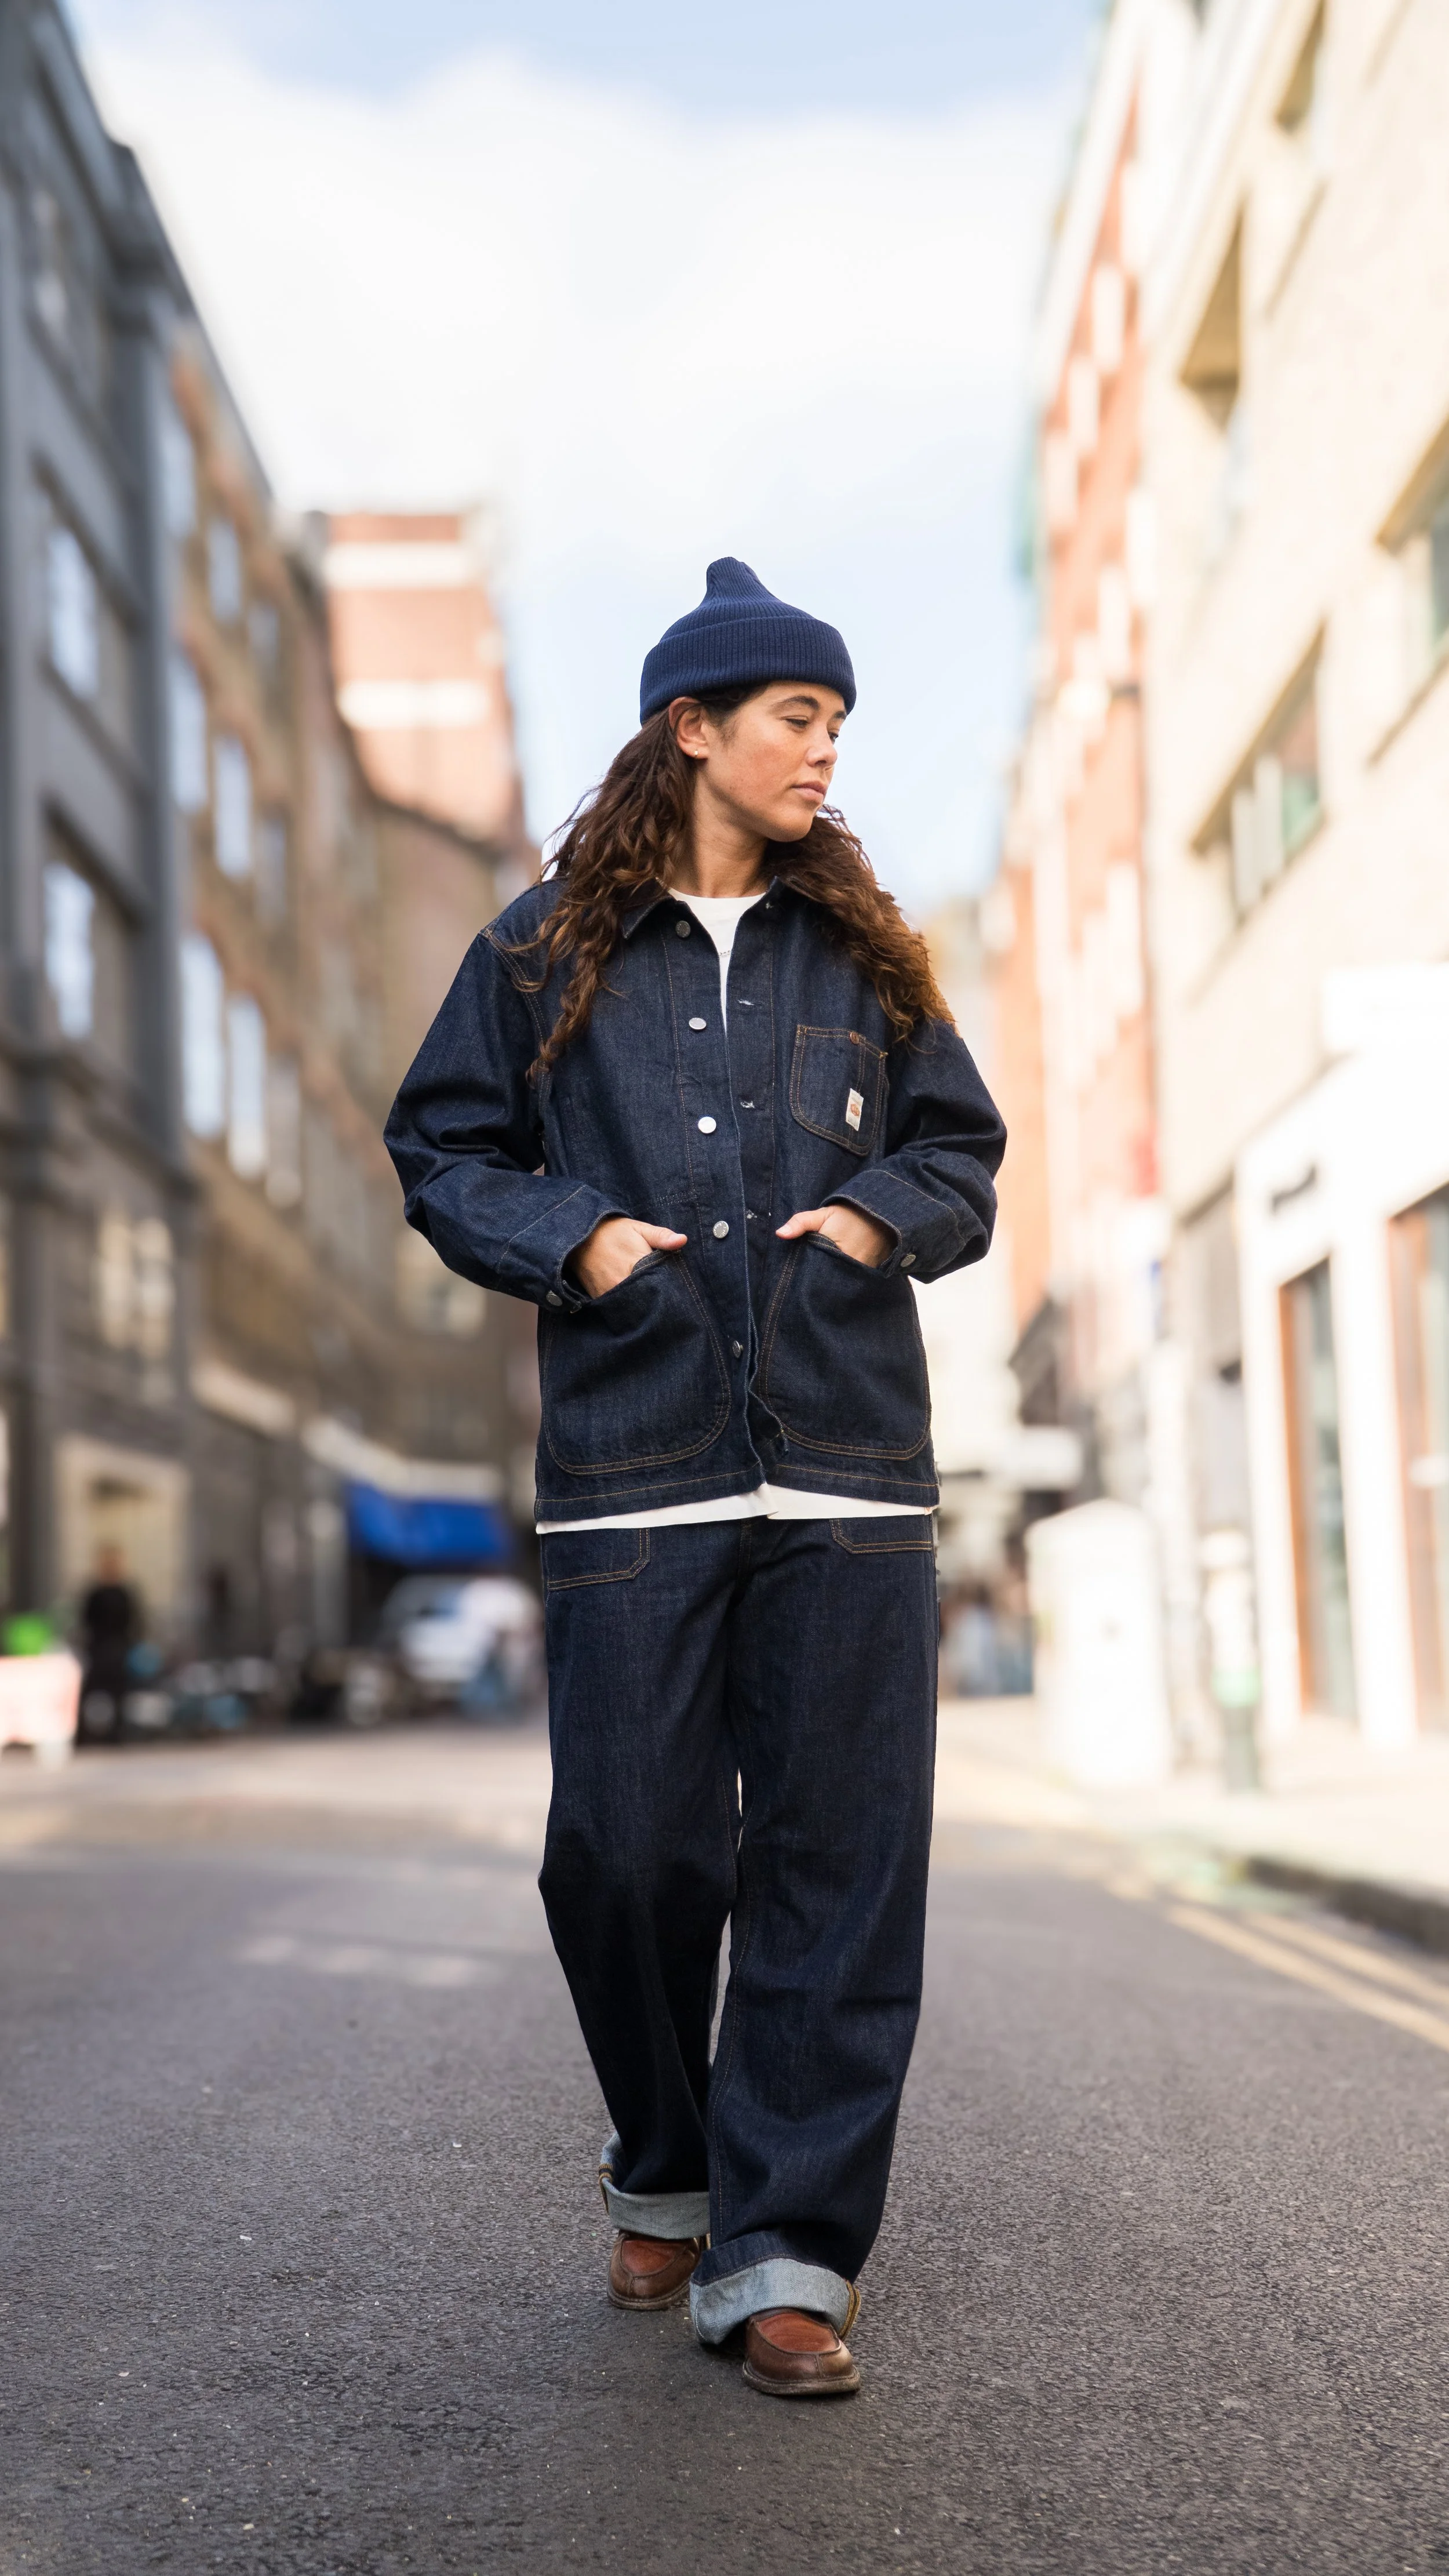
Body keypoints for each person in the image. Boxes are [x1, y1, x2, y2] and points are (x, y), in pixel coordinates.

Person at [386, 559, 1006, 2399]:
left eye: (833, 723)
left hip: (843, 1471)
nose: (824, 752)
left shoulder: (865, 958)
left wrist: (872, 1220)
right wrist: (575, 1239)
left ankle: (784, 2248)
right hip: (632, 1472)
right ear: (694, 728)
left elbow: (960, 1153)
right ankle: (665, 2155)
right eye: (795, 719)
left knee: (837, 1867)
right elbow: (443, 1146)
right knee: (629, 1847)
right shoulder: (535, 952)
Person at [78, 1544, 139, 1745]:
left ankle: (117, 1735)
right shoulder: (95, 1592)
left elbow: (133, 1621)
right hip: (99, 1649)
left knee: (120, 1695)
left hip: (118, 1650)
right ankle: (83, 1736)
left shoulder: (124, 1593)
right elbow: (87, 1620)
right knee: (89, 1693)